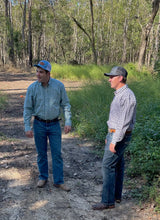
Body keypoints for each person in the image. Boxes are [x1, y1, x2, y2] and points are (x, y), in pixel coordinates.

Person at [92, 66, 136, 210]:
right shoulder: (119, 94)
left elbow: (124, 123)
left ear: (120, 78)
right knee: (117, 165)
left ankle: (108, 201)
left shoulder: (127, 96)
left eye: (112, 77)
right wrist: (109, 134)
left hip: (119, 136)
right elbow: (116, 119)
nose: (109, 79)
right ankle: (116, 196)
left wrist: (114, 140)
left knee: (108, 165)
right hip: (114, 134)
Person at [23, 60, 72, 191]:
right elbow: (27, 109)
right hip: (39, 124)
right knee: (41, 153)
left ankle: (58, 181)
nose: (38, 75)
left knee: (57, 154)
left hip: (54, 124)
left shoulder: (58, 86)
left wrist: (68, 121)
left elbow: (65, 104)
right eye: (37, 72)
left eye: (41, 72)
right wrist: (27, 127)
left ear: (48, 73)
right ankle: (43, 177)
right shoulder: (32, 88)